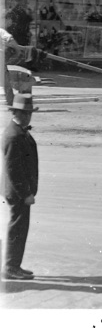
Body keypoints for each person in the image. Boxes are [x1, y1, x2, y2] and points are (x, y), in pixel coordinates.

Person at [3, 94, 39, 280]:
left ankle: (15, 265)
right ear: (17, 112)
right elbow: (13, 170)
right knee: (17, 229)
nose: (28, 116)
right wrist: (25, 193)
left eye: (30, 113)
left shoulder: (20, 131)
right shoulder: (13, 135)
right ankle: (10, 267)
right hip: (18, 192)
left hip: (21, 191)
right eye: (25, 113)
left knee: (20, 229)